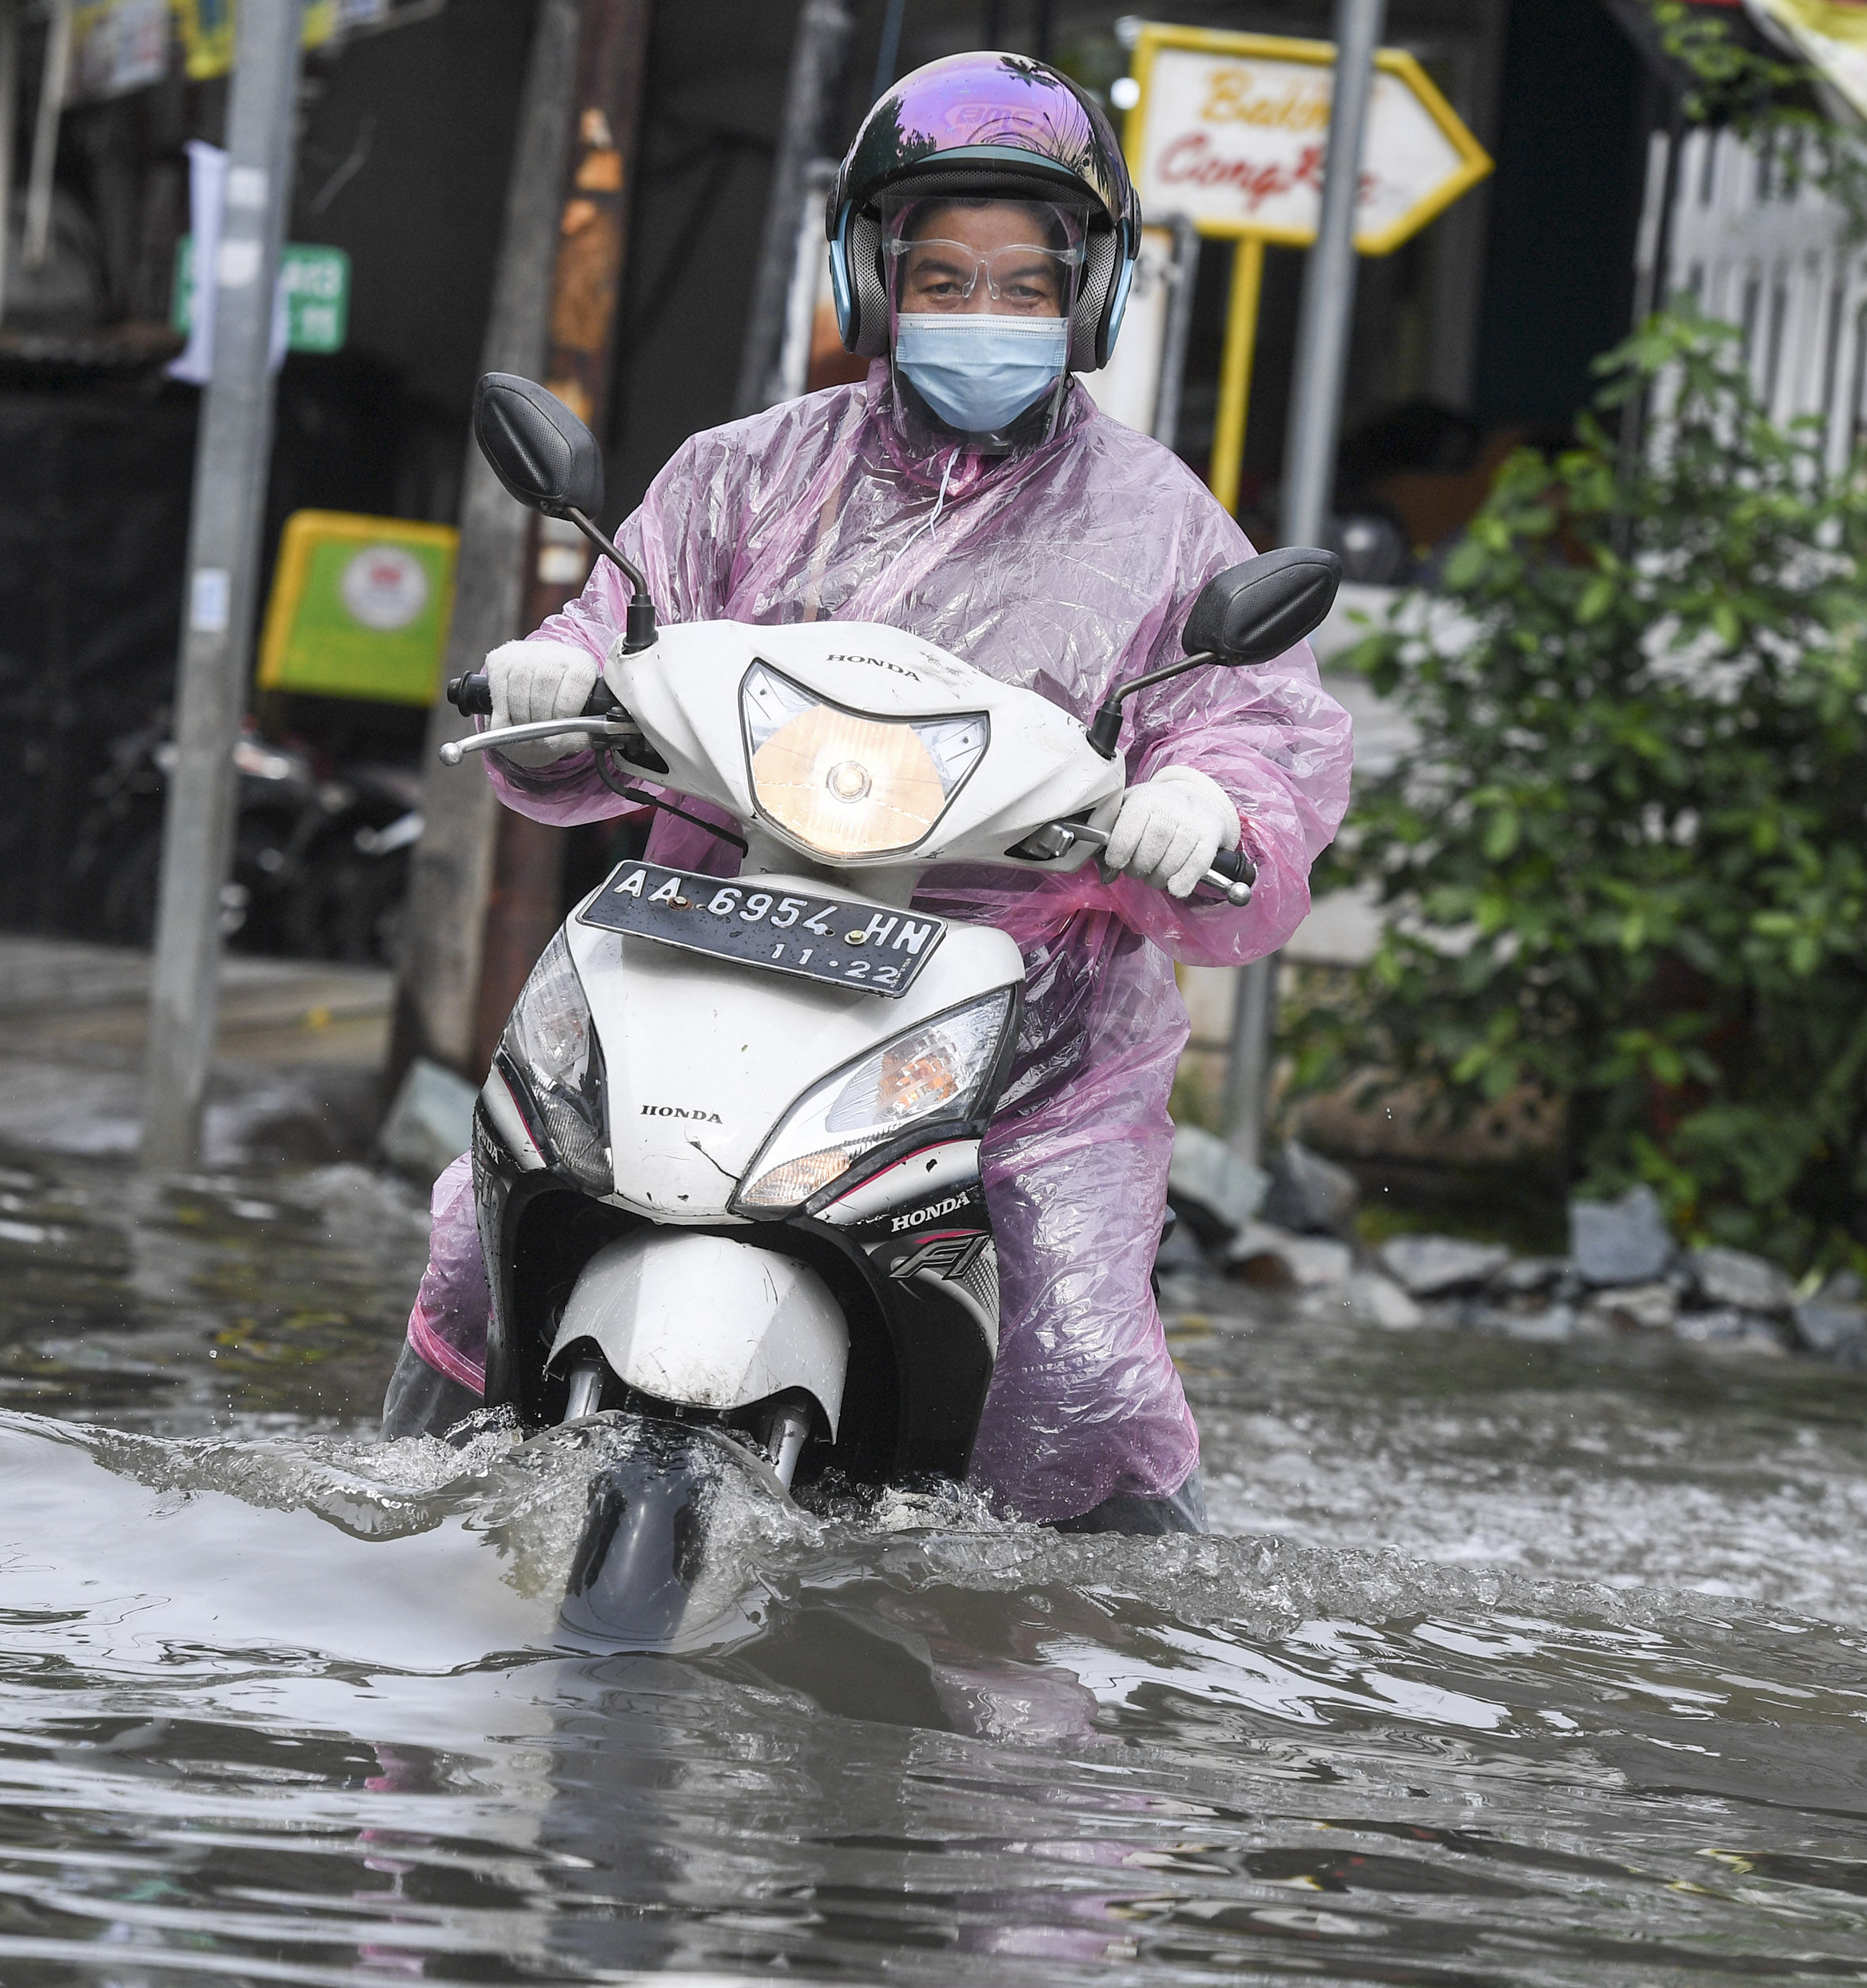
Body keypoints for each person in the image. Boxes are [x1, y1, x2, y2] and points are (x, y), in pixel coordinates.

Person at [383, 50, 1351, 1533]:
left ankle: (1069, 1680)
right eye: (944, 275)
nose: (985, 313)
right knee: (482, 1236)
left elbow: (1254, 728)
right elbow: (611, 635)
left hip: (1029, 1036)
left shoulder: (1164, 526)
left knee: (1080, 1371)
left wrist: (1212, 808)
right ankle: (395, 1524)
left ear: (1092, 296)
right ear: (872, 274)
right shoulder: (742, 474)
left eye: (1027, 284)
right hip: (712, 942)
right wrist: (549, 684)